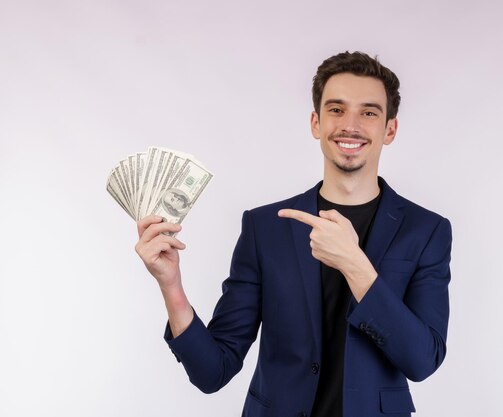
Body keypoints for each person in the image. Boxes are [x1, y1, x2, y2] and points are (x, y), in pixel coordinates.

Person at [135, 51, 452, 417]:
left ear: (389, 129)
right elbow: (212, 372)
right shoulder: (264, 227)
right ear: (316, 123)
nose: (350, 125)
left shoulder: (427, 231)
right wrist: (170, 285)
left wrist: (355, 265)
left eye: (368, 112)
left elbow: (422, 361)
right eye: (336, 109)